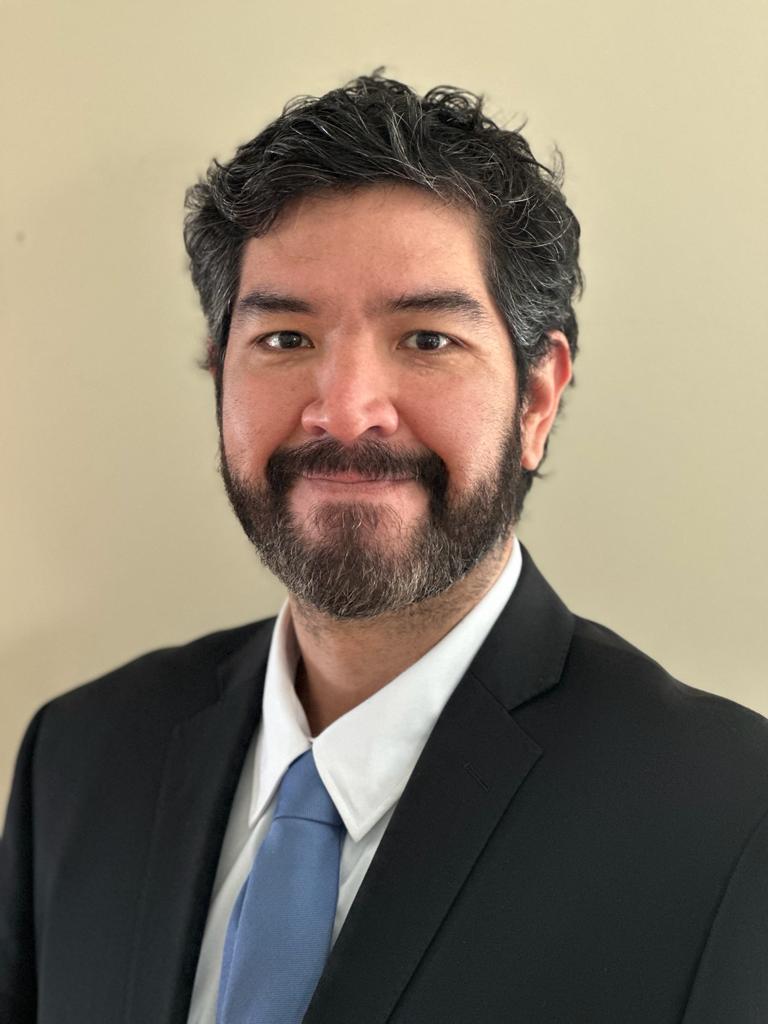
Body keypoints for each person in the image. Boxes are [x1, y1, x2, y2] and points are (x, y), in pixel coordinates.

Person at [2, 72, 767, 1024]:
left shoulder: (731, 818)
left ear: (537, 399)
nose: (346, 411)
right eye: (285, 338)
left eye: (427, 340)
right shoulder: (79, 759)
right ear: (218, 374)